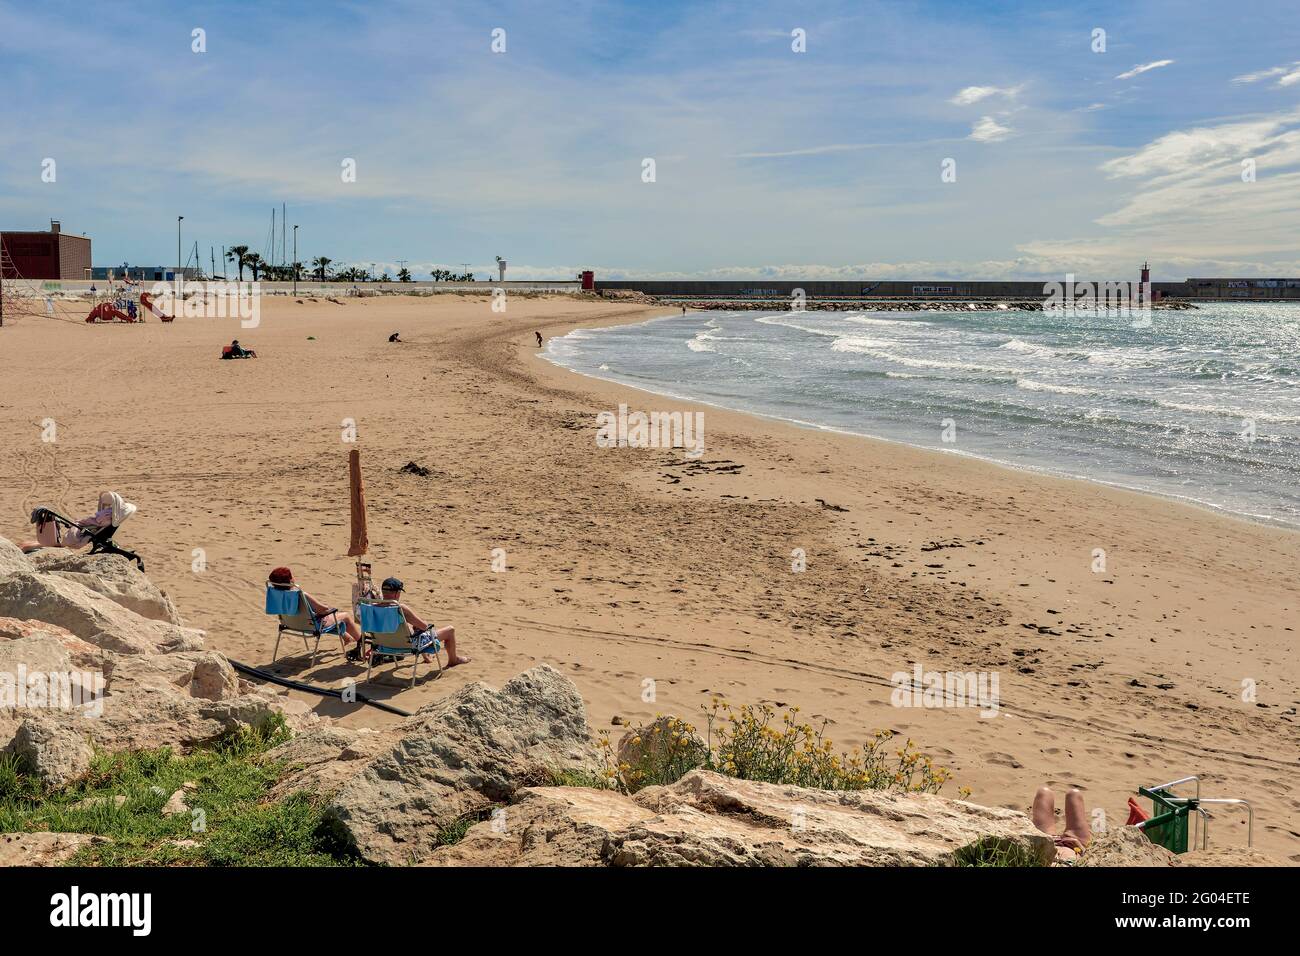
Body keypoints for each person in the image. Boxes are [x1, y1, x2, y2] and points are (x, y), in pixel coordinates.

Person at [379, 576, 470, 668]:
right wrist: (422, 623)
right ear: (396, 593)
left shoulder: (372, 608)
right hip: (408, 646)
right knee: (450, 630)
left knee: (411, 629)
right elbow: (424, 626)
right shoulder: (400, 608)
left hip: (383, 645)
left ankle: (427, 658)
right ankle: (453, 660)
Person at [267, 566, 363, 651]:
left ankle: (347, 638)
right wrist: (327, 607)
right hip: (311, 625)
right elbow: (321, 610)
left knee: (328, 617)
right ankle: (361, 641)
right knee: (344, 616)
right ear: (291, 580)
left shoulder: (275, 596)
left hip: (289, 623)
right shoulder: (301, 595)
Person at [1032, 786, 1092, 856]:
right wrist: (1082, 851)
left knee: (1043, 793)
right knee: (1074, 794)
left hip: (1044, 844)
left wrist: (1043, 843)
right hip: (1077, 846)